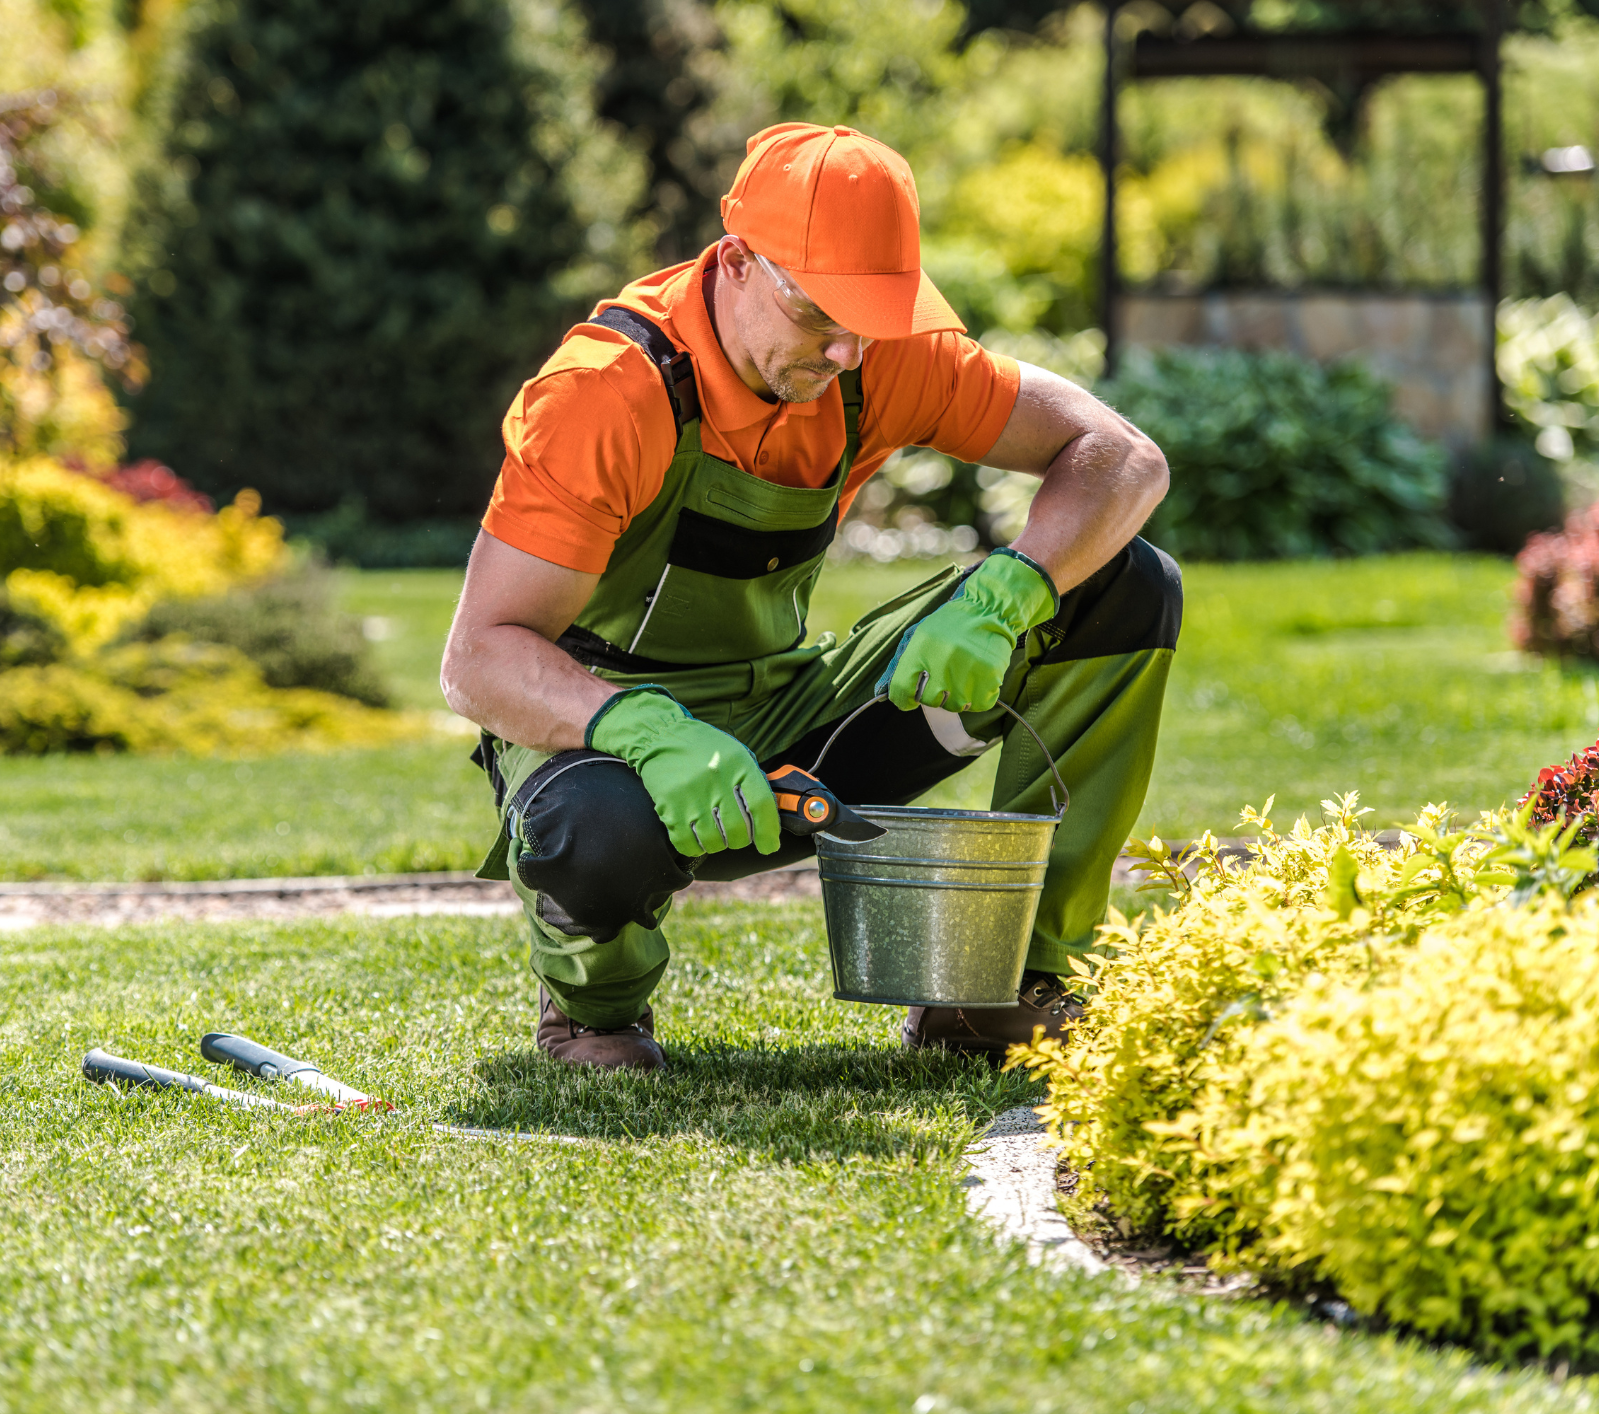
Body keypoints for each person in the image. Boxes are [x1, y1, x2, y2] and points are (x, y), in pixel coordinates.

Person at [440, 122, 1178, 1070]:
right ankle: (596, 1013)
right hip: (606, 747)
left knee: (1125, 583)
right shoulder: (606, 394)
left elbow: (1123, 458)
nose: (845, 352)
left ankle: (1007, 990)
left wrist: (1010, 592)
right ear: (740, 260)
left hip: (794, 718)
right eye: (821, 315)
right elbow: (480, 657)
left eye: (868, 321)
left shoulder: (877, 355)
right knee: (593, 831)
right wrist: (646, 730)